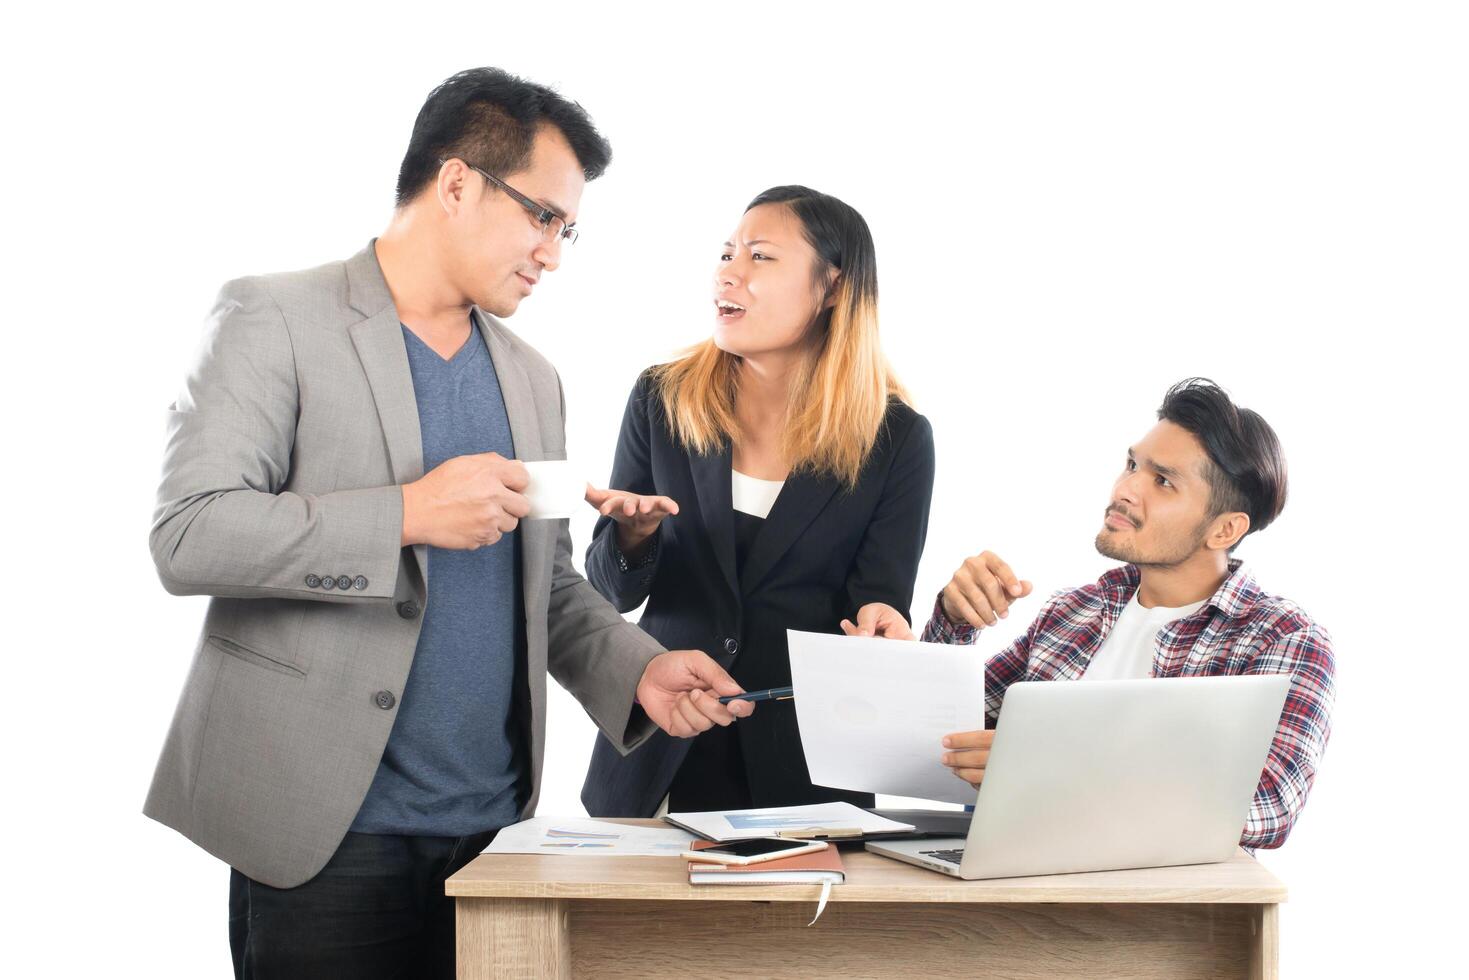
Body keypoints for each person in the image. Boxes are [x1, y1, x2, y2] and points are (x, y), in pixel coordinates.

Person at [144, 67, 752, 979]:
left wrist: (644, 670)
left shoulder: (533, 377)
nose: (553, 252)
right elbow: (190, 534)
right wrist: (406, 515)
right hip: (324, 830)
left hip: (494, 832)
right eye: (542, 216)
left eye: (567, 229)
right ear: (458, 182)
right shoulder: (273, 316)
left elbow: (543, 585)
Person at [855, 378, 1335, 849]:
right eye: (1131, 464)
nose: (1125, 489)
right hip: (1009, 897)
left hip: (1164, 915)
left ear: (1225, 529)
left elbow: (1269, 806)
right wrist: (952, 626)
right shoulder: (1075, 612)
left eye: (1162, 481)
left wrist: (1050, 766)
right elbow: (947, 739)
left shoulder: (1282, 639)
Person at [578, 186, 935, 817]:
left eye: (760, 257)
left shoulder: (896, 438)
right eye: (726, 253)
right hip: (660, 750)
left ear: (832, 288)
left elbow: (875, 603)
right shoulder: (662, 400)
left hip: (804, 773)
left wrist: (885, 623)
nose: (729, 271)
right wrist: (632, 539)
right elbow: (610, 592)